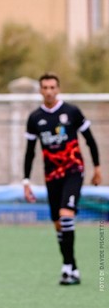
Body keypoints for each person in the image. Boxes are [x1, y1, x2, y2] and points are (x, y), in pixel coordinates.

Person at [23, 72, 102, 285]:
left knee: (66, 215)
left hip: (73, 170)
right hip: (52, 175)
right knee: (58, 224)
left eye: (52, 87)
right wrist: (26, 181)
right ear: (40, 91)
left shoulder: (72, 112)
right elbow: (30, 152)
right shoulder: (34, 118)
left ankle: (67, 269)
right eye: (45, 88)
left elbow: (90, 140)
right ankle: (72, 266)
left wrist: (97, 167)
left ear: (58, 89)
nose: (49, 91)